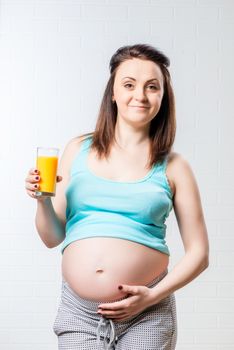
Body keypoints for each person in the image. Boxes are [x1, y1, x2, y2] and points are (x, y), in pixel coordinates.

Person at [25, 43, 209, 350]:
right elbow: (51, 237)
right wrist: (42, 200)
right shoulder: (76, 149)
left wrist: (153, 295)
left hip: (147, 312)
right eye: (129, 84)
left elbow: (200, 254)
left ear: (163, 98)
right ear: (113, 92)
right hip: (80, 313)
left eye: (152, 87)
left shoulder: (175, 166)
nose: (140, 95)